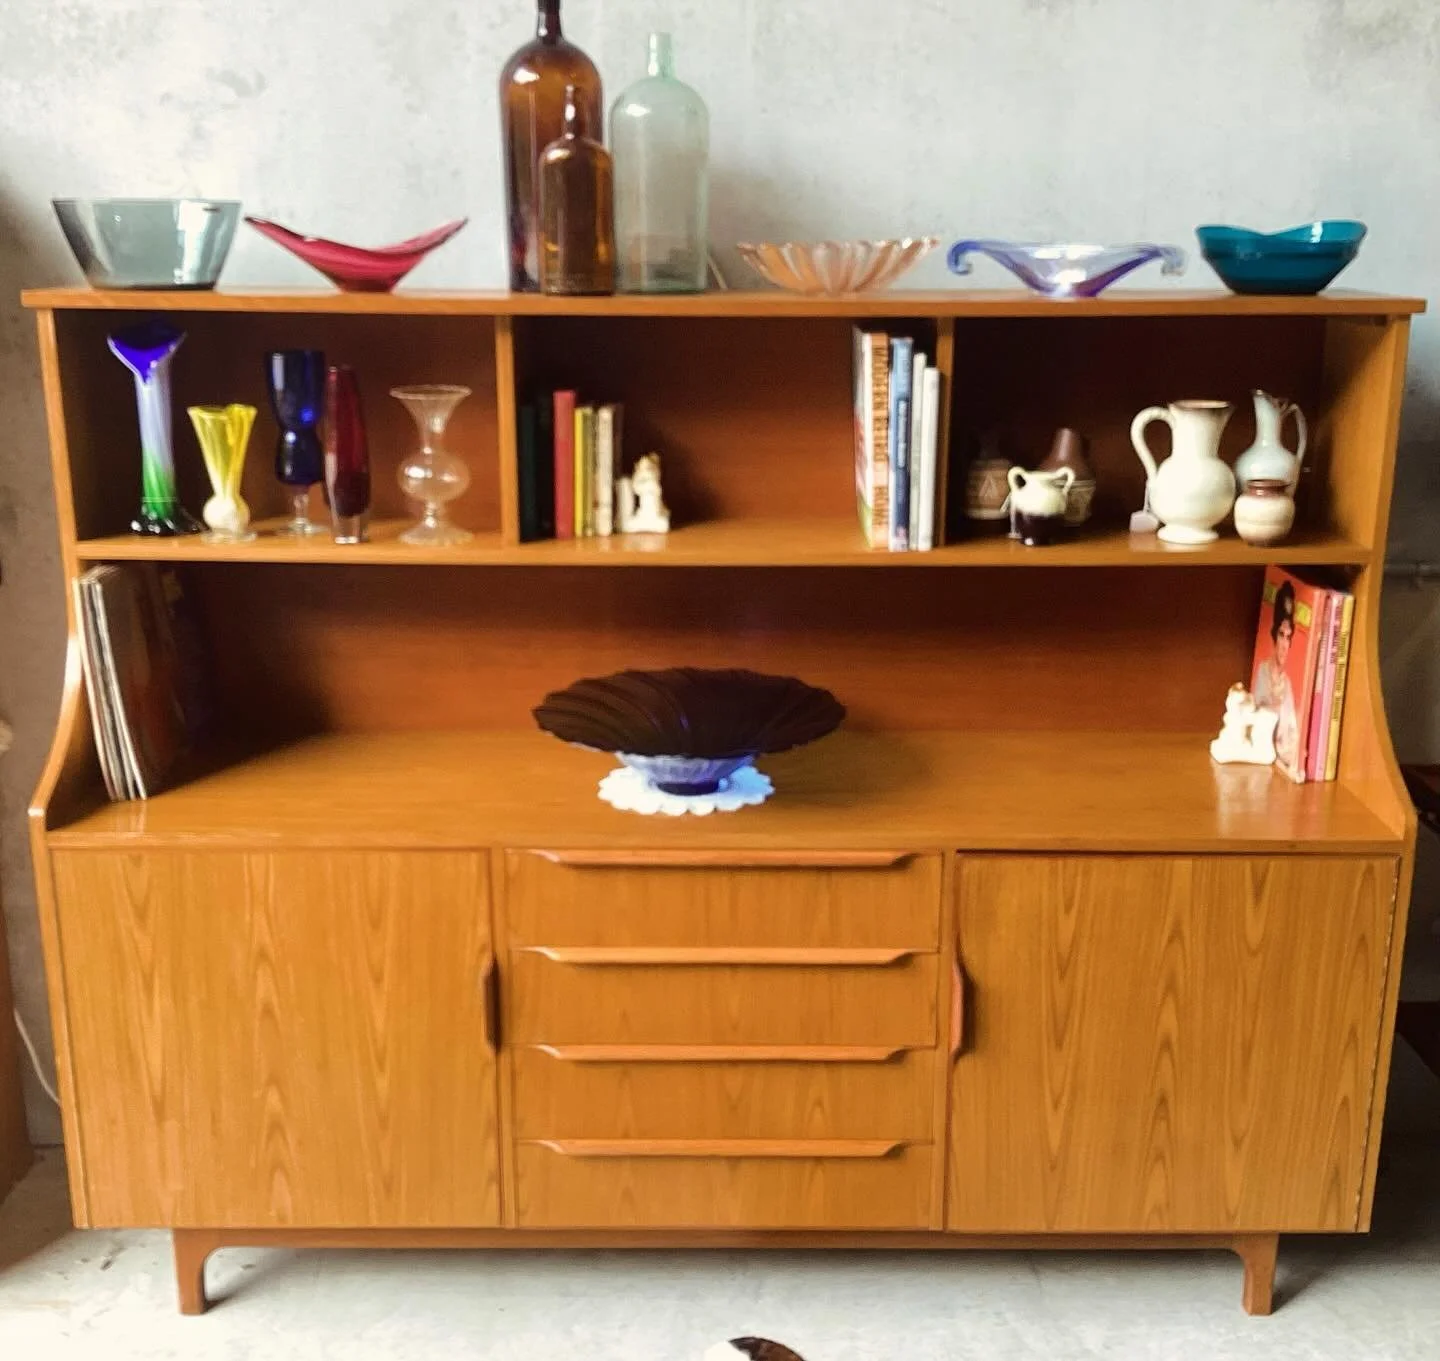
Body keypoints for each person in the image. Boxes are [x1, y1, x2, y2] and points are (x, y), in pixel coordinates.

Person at [1253, 580, 1299, 769]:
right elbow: (1256, 711)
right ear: (1274, 635)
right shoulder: (1263, 671)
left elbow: (1292, 729)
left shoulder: (1286, 683)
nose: (1284, 644)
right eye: (1281, 634)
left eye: (1289, 637)